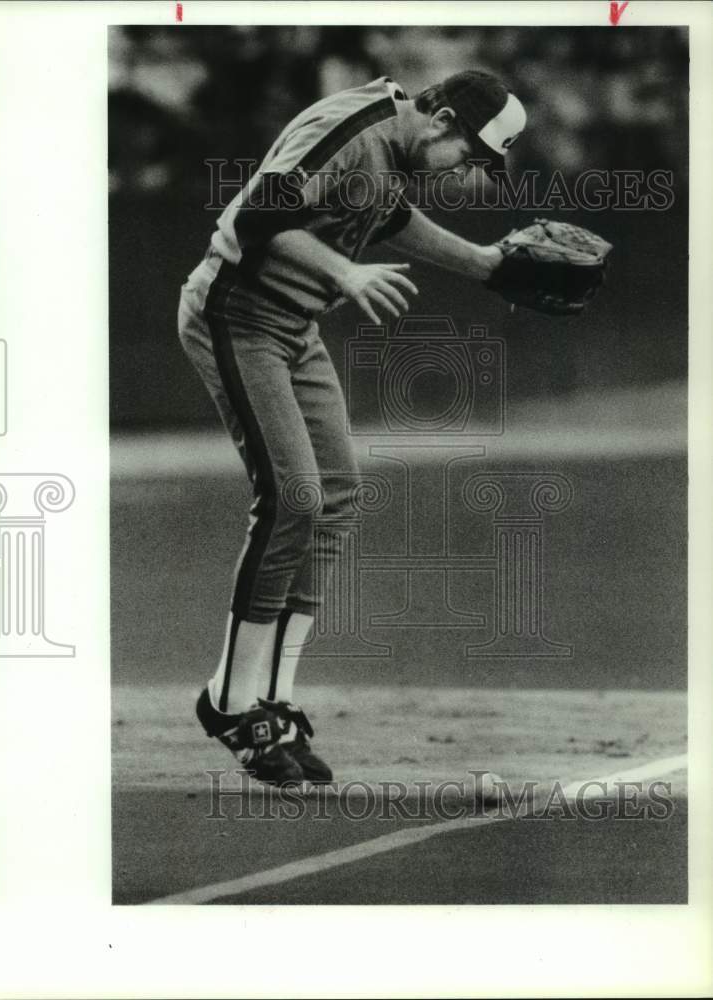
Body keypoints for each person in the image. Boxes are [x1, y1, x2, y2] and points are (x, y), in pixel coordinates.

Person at [178, 70, 526, 785]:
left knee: (335, 496)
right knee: (293, 500)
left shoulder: (394, 150)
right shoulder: (349, 129)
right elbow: (253, 222)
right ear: (444, 119)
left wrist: (484, 265)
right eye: (471, 154)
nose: (468, 172)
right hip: (235, 317)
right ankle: (232, 703)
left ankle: (272, 700)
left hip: (291, 328)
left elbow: (388, 215)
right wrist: (346, 272)